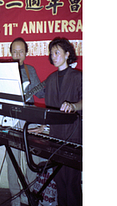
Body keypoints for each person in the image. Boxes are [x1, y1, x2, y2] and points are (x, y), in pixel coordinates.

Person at [36, 37, 82, 206]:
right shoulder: (50, 79)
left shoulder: (78, 76)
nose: (53, 56)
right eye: (51, 53)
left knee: (72, 183)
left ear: (67, 54)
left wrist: (73, 105)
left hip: (73, 136)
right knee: (59, 182)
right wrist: (43, 127)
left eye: (57, 52)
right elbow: (50, 110)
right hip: (55, 137)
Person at [5, 37, 45, 206]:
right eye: (15, 51)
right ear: (10, 53)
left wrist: (36, 88)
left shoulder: (30, 70)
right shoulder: (5, 70)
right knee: (12, 158)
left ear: (26, 53)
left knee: (32, 158)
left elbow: (41, 94)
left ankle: (28, 194)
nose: (18, 54)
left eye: (21, 51)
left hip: (28, 117)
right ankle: (15, 196)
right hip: (10, 117)